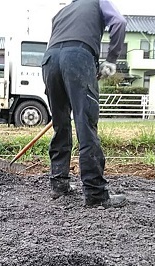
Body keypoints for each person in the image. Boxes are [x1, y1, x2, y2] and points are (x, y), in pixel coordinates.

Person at [41, 0, 128, 208]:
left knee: (60, 124)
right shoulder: (97, 1)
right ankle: (95, 193)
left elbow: (58, 42)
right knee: (85, 123)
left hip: (50, 59)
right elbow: (119, 22)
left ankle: (59, 184)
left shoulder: (62, 11)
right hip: (78, 56)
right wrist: (111, 59)